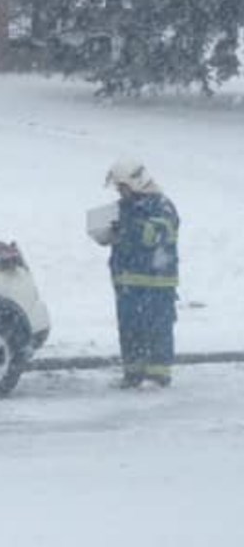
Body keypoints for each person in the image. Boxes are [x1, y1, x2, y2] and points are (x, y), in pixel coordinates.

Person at [101, 159, 179, 389]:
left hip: (156, 285)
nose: (120, 192)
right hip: (127, 284)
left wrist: (127, 226)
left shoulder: (162, 206)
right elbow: (112, 235)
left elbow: (155, 235)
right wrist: (104, 230)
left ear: (136, 183)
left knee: (156, 328)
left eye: (122, 187)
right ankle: (132, 372)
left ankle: (158, 374)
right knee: (130, 328)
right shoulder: (123, 206)